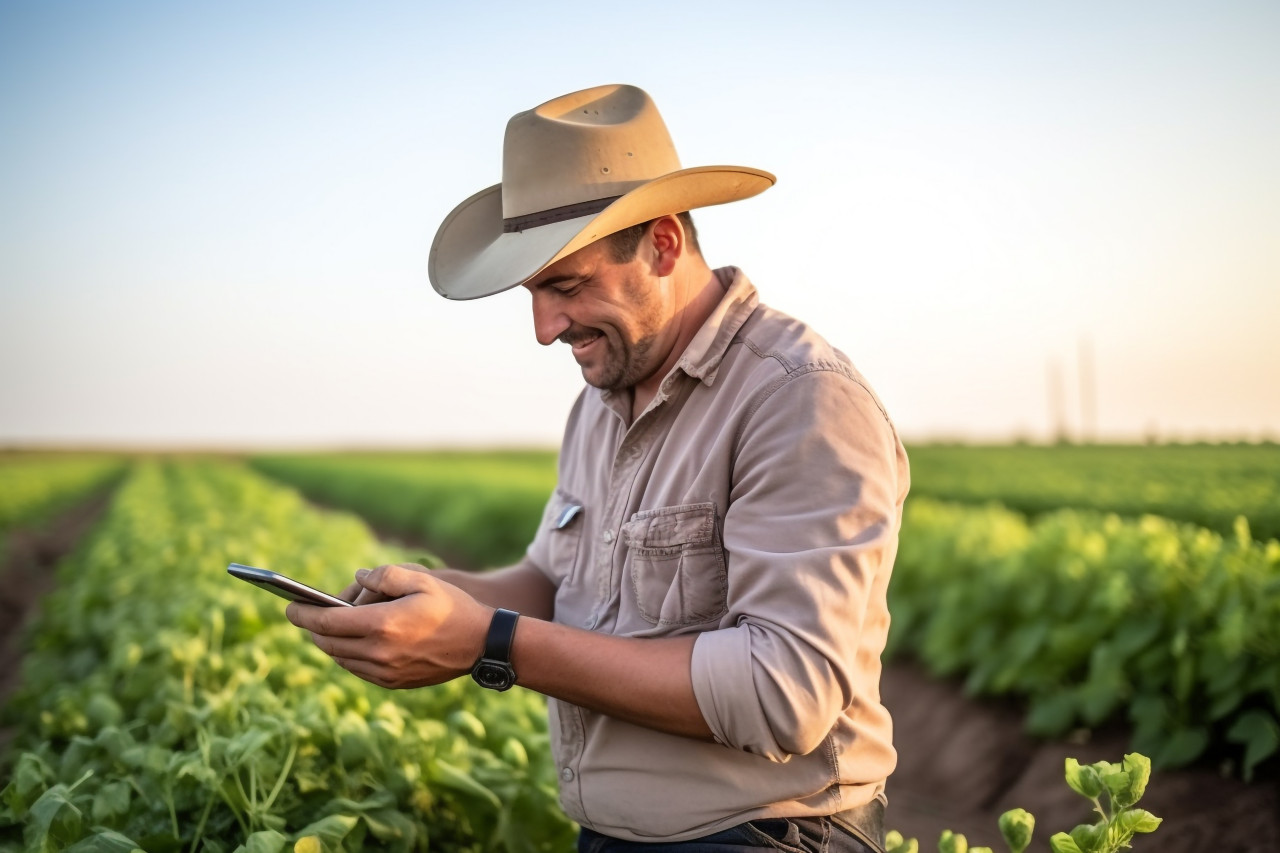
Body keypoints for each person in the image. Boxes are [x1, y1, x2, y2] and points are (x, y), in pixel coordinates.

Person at [286, 83, 910, 852]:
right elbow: (552, 581)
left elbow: (784, 692)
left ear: (663, 245)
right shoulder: (602, 401)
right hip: (613, 833)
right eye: (534, 293)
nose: (546, 328)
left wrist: (489, 642)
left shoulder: (798, 400)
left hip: (767, 836)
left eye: (566, 285)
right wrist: (430, 595)